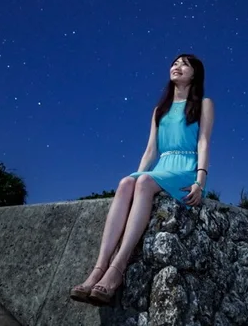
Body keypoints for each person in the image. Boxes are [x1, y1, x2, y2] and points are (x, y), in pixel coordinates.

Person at [70, 53, 214, 306]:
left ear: (195, 74)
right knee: (128, 182)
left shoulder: (204, 103)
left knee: (145, 182)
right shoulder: (160, 110)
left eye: (185, 64)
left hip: (186, 169)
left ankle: (118, 267)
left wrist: (200, 180)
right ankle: (98, 268)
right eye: (174, 63)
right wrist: (134, 177)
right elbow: (150, 150)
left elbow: (203, 142)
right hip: (161, 166)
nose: (176, 66)